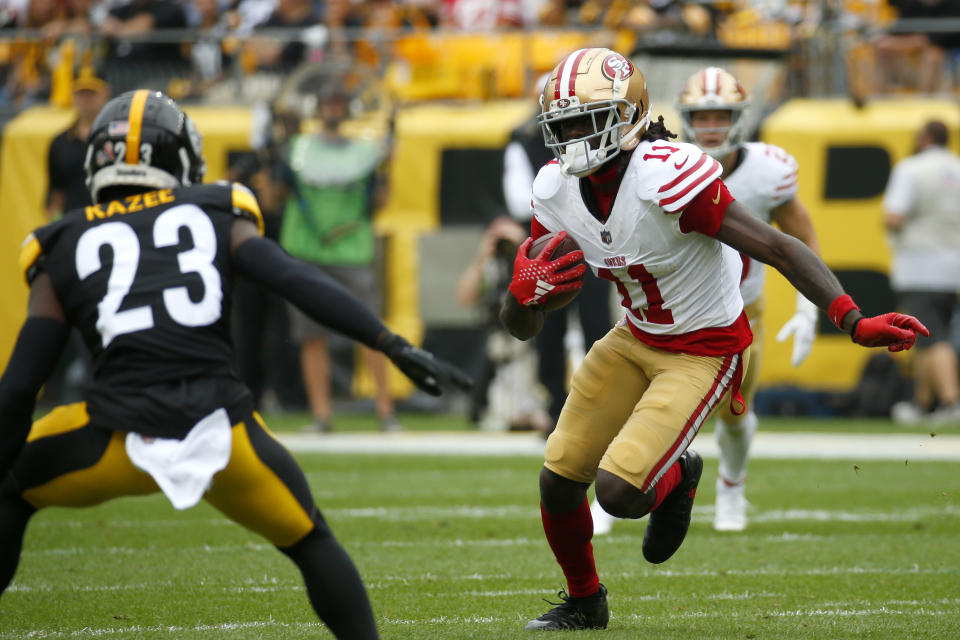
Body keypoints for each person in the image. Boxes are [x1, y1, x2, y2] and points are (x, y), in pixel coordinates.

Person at [0, 90, 471, 639]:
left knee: (11, 491)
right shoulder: (215, 212)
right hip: (221, 433)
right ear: (180, 158)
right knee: (310, 539)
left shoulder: (63, 241)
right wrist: (388, 342)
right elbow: (294, 279)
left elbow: (19, 387)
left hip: (111, 434)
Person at [500, 48, 928, 631]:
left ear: (630, 116)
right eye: (564, 123)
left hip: (705, 350)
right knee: (558, 479)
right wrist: (518, 298)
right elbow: (525, 323)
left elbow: (778, 246)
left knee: (619, 494)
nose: (573, 136)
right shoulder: (556, 189)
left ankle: (681, 477)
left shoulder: (667, 175)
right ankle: (585, 601)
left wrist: (851, 318)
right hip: (634, 337)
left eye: (587, 120)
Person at [590, 66, 822, 534]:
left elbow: (799, 237)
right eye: (703, 115)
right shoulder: (661, 163)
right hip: (658, 306)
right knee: (629, 398)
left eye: (722, 115)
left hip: (737, 312)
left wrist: (808, 308)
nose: (713, 125)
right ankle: (611, 492)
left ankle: (732, 492)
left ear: (740, 118)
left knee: (737, 413)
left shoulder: (768, 171)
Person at [279, 86, 399, 433]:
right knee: (310, 336)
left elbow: (380, 200)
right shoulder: (297, 149)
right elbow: (277, 193)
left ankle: (386, 412)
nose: (333, 108)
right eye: (328, 101)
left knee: (371, 331)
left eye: (338, 101)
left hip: (352, 251)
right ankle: (322, 416)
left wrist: (387, 168)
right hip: (306, 250)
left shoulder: (365, 152)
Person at [503, 79, 612, 434]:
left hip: (594, 245)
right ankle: (554, 408)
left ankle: (602, 405)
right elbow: (523, 200)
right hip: (546, 245)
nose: (573, 125)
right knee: (548, 331)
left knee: (598, 329)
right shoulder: (528, 148)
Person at [884, 120, 960, 425]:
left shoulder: (911, 169)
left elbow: (894, 216)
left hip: (920, 264)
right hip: (953, 266)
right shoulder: (957, 167)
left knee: (933, 337)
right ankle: (921, 403)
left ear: (924, 137)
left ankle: (951, 401)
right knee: (928, 334)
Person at [456, 215, 551, 431]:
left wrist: (522, 249)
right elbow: (464, 296)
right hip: (499, 354)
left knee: (537, 412)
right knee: (500, 414)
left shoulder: (531, 263)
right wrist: (482, 258)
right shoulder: (489, 266)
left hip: (530, 351)